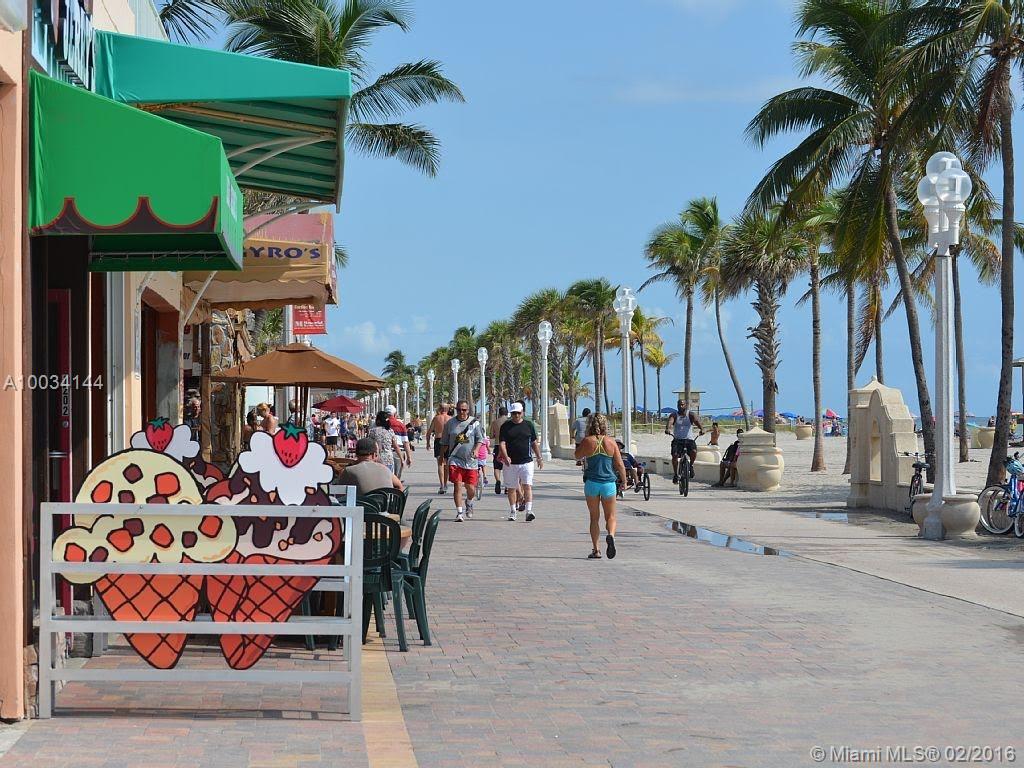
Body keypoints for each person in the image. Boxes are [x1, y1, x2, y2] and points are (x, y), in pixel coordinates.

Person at [575, 413, 627, 559]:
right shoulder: (611, 442)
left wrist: (582, 445)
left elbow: (577, 455)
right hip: (608, 483)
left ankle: (596, 550)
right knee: (611, 516)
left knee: (594, 518)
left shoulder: (587, 441)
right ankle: (611, 535)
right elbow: (619, 464)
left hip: (592, 483)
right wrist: (624, 481)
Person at [498, 402, 542, 522]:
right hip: (510, 463)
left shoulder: (528, 425)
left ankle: (529, 511)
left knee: (527, 486)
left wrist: (539, 457)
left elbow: (534, 442)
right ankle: (513, 511)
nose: (516, 415)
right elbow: (502, 443)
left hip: (526, 462)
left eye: (518, 413)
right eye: (514, 413)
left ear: (522, 412)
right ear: (511, 414)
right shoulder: (505, 426)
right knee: (511, 488)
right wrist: (505, 456)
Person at [442, 400, 485, 522]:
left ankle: (469, 502)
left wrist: (476, 450)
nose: (461, 412)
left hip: (470, 461)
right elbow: (444, 442)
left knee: (471, 488)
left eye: (464, 410)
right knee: (457, 485)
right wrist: (442, 457)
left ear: (468, 410)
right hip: (455, 459)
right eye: (459, 410)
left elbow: (480, 439)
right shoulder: (450, 423)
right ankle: (459, 513)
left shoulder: (474, 423)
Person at [337, 437, 403, 495]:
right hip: (384, 504)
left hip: (363, 504)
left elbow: (339, 491)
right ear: (374, 455)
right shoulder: (385, 469)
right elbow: (399, 486)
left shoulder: (349, 471)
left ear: (356, 455)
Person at [665, 400, 703, 484]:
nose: (680, 406)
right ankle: (675, 474)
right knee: (675, 455)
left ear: (686, 405)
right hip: (677, 439)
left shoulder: (690, 414)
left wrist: (702, 429)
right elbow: (670, 422)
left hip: (689, 439)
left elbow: (697, 422)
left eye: (682, 405)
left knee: (694, 451)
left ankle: (691, 465)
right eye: (679, 405)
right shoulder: (674, 415)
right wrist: (668, 428)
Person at [427, 403, 452, 494]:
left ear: (440, 409)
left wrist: (428, 443)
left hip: (439, 440)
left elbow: (429, 432)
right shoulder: (451, 419)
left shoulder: (436, 418)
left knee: (440, 464)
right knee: (447, 464)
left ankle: (441, 485)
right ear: (448, 409)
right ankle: (445, 484)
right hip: (448, 441)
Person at [385, 405, 412, 478]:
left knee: (385, 477)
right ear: (395, 414)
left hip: (385, 453)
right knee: (396, 477)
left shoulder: (381, 425)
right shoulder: (400, 425)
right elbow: (405, 442)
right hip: (398, 453)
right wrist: (409, 457)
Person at [488, 406, 510, 492]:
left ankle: (498, 480)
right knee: (508, 466)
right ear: (507, 413)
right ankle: (507, 486)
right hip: (508, 446)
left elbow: (491, 435)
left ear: (499, 413)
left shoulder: (494, 422)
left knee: (497, 466)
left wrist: (496, 434)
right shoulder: (509, 422)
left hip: (498, 445)